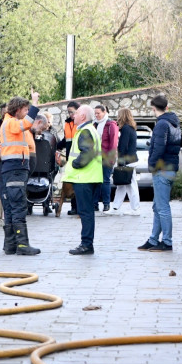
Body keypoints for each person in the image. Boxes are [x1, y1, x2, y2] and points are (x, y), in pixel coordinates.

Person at [0, 91, 41, 256]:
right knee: (18, 206)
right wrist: (35, 104)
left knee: (12, 207)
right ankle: (22, 245)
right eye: (25, 109)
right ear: (18, 109)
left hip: (11, 169)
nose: (26, 113)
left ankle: (11, 245)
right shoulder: (12, 122)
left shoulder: (6, 123)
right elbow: (26, 124)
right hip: (15, 170)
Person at [139, 95, 181, 252]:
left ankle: (167, 242)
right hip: (170, 168)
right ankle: (153, 239)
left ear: (153, 108)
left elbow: (159, 147)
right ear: (167, 107)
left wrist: (151, 164)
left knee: (162, 207)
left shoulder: (162, 124)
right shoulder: (174, 123)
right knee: (158, 206)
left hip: (162, 170)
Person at [64, 104, 101, 255]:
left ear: (83, 116)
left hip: (84, 178)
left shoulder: (85, 131)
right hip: (89, 177)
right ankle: (87, 243)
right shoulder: (90, 129)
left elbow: (87, 153)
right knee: (87, 212)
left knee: (85, 212)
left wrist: (75, 163)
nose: (74, 115)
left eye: (77, 113)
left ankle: (86, 244)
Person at [111, 108, 141, 214]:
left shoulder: (126, 129)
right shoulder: (131, 128)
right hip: (132, 159)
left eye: (119, 115)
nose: (117, 117)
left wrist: (120, 161)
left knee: (131, 185)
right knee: (122, 185)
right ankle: (115, 207)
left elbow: (123, 146)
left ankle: (136, 208)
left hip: (128, 160)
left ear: (122, 116)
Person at [93, 103, 119, 213]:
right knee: (96, 181)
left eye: (98, 113)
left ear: (105, 112)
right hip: (96, 157)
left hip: (107, 157)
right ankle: (94, 204)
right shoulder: (94, 124)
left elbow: (113, 143)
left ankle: (106, 204)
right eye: (95, 113)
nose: (96, 115)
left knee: (105, 180)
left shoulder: (111, 125)